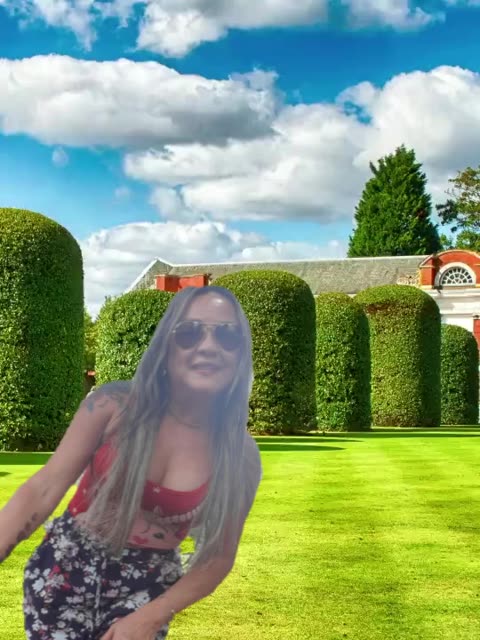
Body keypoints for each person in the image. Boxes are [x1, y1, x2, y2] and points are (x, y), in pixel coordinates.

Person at [0, 285, 263, 640]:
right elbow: (44, 487)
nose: (208, 346)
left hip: (147, 588)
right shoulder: (113, 406)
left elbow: (218, 558)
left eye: (227, 336)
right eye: (189, 332)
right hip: (66, 566)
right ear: (166, 346)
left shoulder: (239, 455)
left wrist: (151, 617)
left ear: (240, 354)